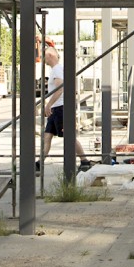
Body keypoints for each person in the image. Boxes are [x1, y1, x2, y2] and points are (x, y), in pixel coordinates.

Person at [38, 40, 90, 176]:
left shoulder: (57, 69)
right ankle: (39, 163)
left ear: (50, 55)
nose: (43, 59)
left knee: (68, 136)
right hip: (56, 108)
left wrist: (48, 104)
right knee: (47, 136)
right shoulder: (56, 70)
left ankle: (84, 161)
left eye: (44, 56)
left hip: (61, 108)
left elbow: (60, 88)